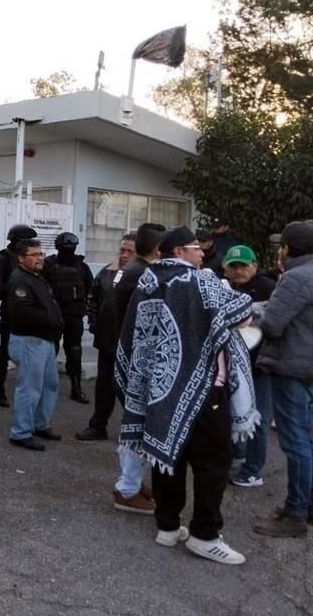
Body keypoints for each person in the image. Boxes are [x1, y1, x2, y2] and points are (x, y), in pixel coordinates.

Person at [116, 226, 256, 565]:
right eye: (195, 248)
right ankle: (205, 535)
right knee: (212, 464)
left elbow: (132, 336)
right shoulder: (198, 281)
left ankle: (167, 526)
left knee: (168, 457)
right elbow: (242, 313)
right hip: (204, 389)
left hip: (159, 389)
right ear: (179, 251)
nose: (202, 253)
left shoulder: (148, 282)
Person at [253, 222, 313, 538]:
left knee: (296, 442)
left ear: (288, 249)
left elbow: (273, 324)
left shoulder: (296, 277)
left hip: (292, 368)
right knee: (309, 439)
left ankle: (295, 513)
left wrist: (252, 312)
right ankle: (307, 505)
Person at [108, 223, 165, 514]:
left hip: (125, 352)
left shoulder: (133, 270)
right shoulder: (143, 274)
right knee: (137, 427)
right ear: (158, 249)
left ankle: (131, 482)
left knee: (135, 425)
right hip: (134, 360)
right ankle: (127, 487)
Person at [223, 245, 276, 488]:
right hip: (232, 364)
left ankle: (253, 470)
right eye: (233, 266)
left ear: (255, 265)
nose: (238, 271)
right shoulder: (226, 286)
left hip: (259, 364)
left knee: (258, 417)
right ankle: (237, 453)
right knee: (231, 411)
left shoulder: (268, 286)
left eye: (243, 265)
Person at [76, 234, 135, 441]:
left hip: (131, 347)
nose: (125, 255)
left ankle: (134, 430)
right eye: (123, 250)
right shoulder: (107, 272)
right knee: (104, 387)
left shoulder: (143, 275)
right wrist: (94, 324)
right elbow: (93, 297)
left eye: (130, 251)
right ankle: (98, 425)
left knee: (129, 390)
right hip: (107, 342)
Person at [6, 238, 63, 451]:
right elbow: (23, 313)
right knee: (29, 388)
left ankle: (40, 424)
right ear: (21, 258)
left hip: (44, 340)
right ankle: (21, 433)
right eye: (35, 255)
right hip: (30, 340)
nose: (40, 258)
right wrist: (52, 320)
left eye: (41, 254)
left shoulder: (35, 277)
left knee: (50, 384)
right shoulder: (20, 280)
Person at [43, 232, 94, 404]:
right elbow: (41, 289)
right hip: (55, 315)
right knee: (51, 350)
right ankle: (47, 387)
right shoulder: (49, 265)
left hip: (74, 315)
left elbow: (90, 289)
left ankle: (76, 388)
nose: (69, 248)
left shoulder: (82, 267)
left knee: (74, 351)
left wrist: (87, 309)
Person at [0, 224, 38, 407]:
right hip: (11, 310)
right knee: (5, 351)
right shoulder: (3, 259)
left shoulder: (30, 258)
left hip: (29, 311)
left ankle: (27, 389)